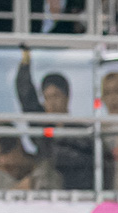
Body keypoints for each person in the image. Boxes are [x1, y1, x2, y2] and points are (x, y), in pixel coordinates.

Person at [15, 47, 97, 191]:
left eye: (56, 96)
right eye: (47, 98)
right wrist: (25, 63)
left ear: (67, 97)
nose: (51, 103)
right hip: (46, 192)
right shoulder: (42, 129)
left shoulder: (81, 132)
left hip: (76, 193)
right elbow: (27, 96)